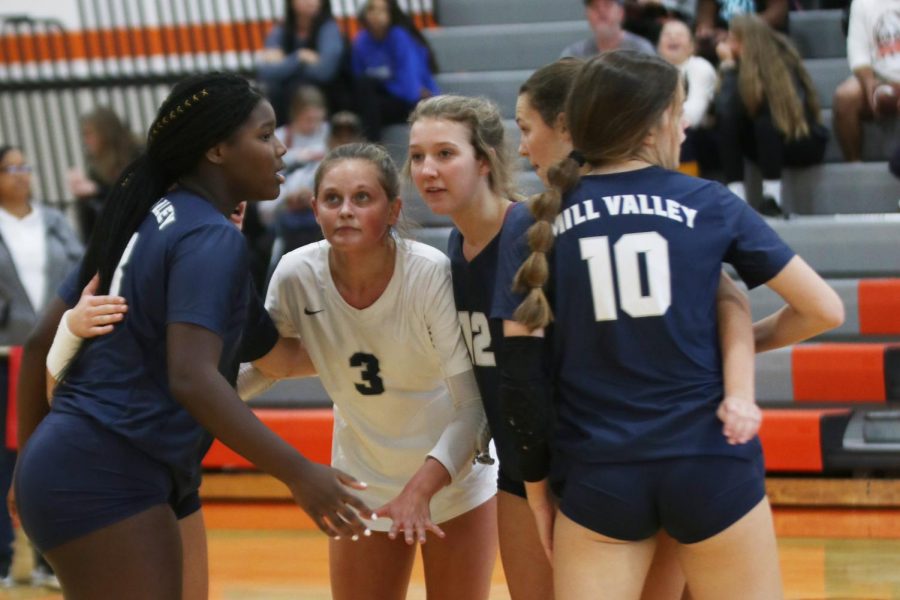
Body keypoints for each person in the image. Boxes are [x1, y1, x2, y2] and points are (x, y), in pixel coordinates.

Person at [496, 50, 844, 599]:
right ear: (655, 120)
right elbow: (824, 309)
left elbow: (521, 376)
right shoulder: (708, 201)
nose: (683, 125)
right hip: (708, 459)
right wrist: (742, 347)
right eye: (679, 111)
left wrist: (538, 491)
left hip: (599, 470)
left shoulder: (537, 221)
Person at [12, 72, 373, 598]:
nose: (281, 148)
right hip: (105, 469)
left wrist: (384, 333)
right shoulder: (207, 237)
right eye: (265, 135)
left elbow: (278, 357)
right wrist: (299, 472)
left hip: (108, 464)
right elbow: (192, 378)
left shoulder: (155, 215)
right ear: (218, 150)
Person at [244, 142, 498, 600]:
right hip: (361, 485)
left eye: (363, 198)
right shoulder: (295, 273)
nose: (345, 210)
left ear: (394, 209)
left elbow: (474, 405)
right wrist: (195, 402)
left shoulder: (428, 273)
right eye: (332, 199)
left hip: (452, 482)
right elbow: (272, 365)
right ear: (315, 208)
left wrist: (421, 490)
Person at [0, 144, 81, 589]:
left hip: (58, 352)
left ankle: (53, 559)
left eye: (25, 166)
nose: (20, 175)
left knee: (53, 450)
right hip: (4, 354)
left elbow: (84, 266)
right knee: (3, 457)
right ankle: (5, 557)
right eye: (10, 168)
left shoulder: (52, 221)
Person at [715, 14, 828, 215]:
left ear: (747, 41)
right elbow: (724, 110)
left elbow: (789, 115)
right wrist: (730, 70)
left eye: (733, 39)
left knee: (765, 120)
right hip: (765, 146)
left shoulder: (783, 62)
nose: (728, 45)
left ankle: (772, 197)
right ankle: (737, 198)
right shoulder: (736, 66)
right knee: (727, 122)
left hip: (799, 139)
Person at [351, 0, 440, 141]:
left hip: (413, 100)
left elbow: (410, 90)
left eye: (382, 10)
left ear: (390, 13)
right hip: (379, 100)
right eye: (372, 9)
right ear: (364, 14)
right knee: (364, 91)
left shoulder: (399, 36)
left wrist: (383, 84)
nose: (376, 15)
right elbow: (357, 80)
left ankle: (373, 148)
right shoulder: (361, 40)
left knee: (369, 101)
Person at [256, 0, 346, 125]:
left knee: (297, 87)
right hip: (284, 92)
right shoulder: (281, 28)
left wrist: (284, 64)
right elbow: (265, 72)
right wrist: (299, 57)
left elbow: (325, 72)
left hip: (326, 91)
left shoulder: (329, 28)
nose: (312, 2)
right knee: (271, 88)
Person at [832, 0, 900, 162]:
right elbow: (858, 54)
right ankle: (854, 166)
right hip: (880, 77)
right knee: (845, 97)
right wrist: (871, 87)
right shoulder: (861, 3)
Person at [66, 107, 142, 242]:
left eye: (89, 134)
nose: (86, 141)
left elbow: (134, 192)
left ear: (105, 132)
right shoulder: (96, 166)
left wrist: (96, 190)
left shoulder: (136, 153)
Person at [657, 19, 717, 175]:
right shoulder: (651, 71)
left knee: (682, 132)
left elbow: (693, 117)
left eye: (679, 34)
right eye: (667, 34)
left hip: (701, 139)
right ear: (658, 46)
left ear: (692, 45)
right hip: (662, 133)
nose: (673, 38)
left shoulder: (700, 67)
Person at [560, 0, 656, 59]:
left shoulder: (641, 51)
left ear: (621, 12)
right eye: (594, 6)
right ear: (587, 15)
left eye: (607, 4)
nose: (601, 11)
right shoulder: (575, 54)